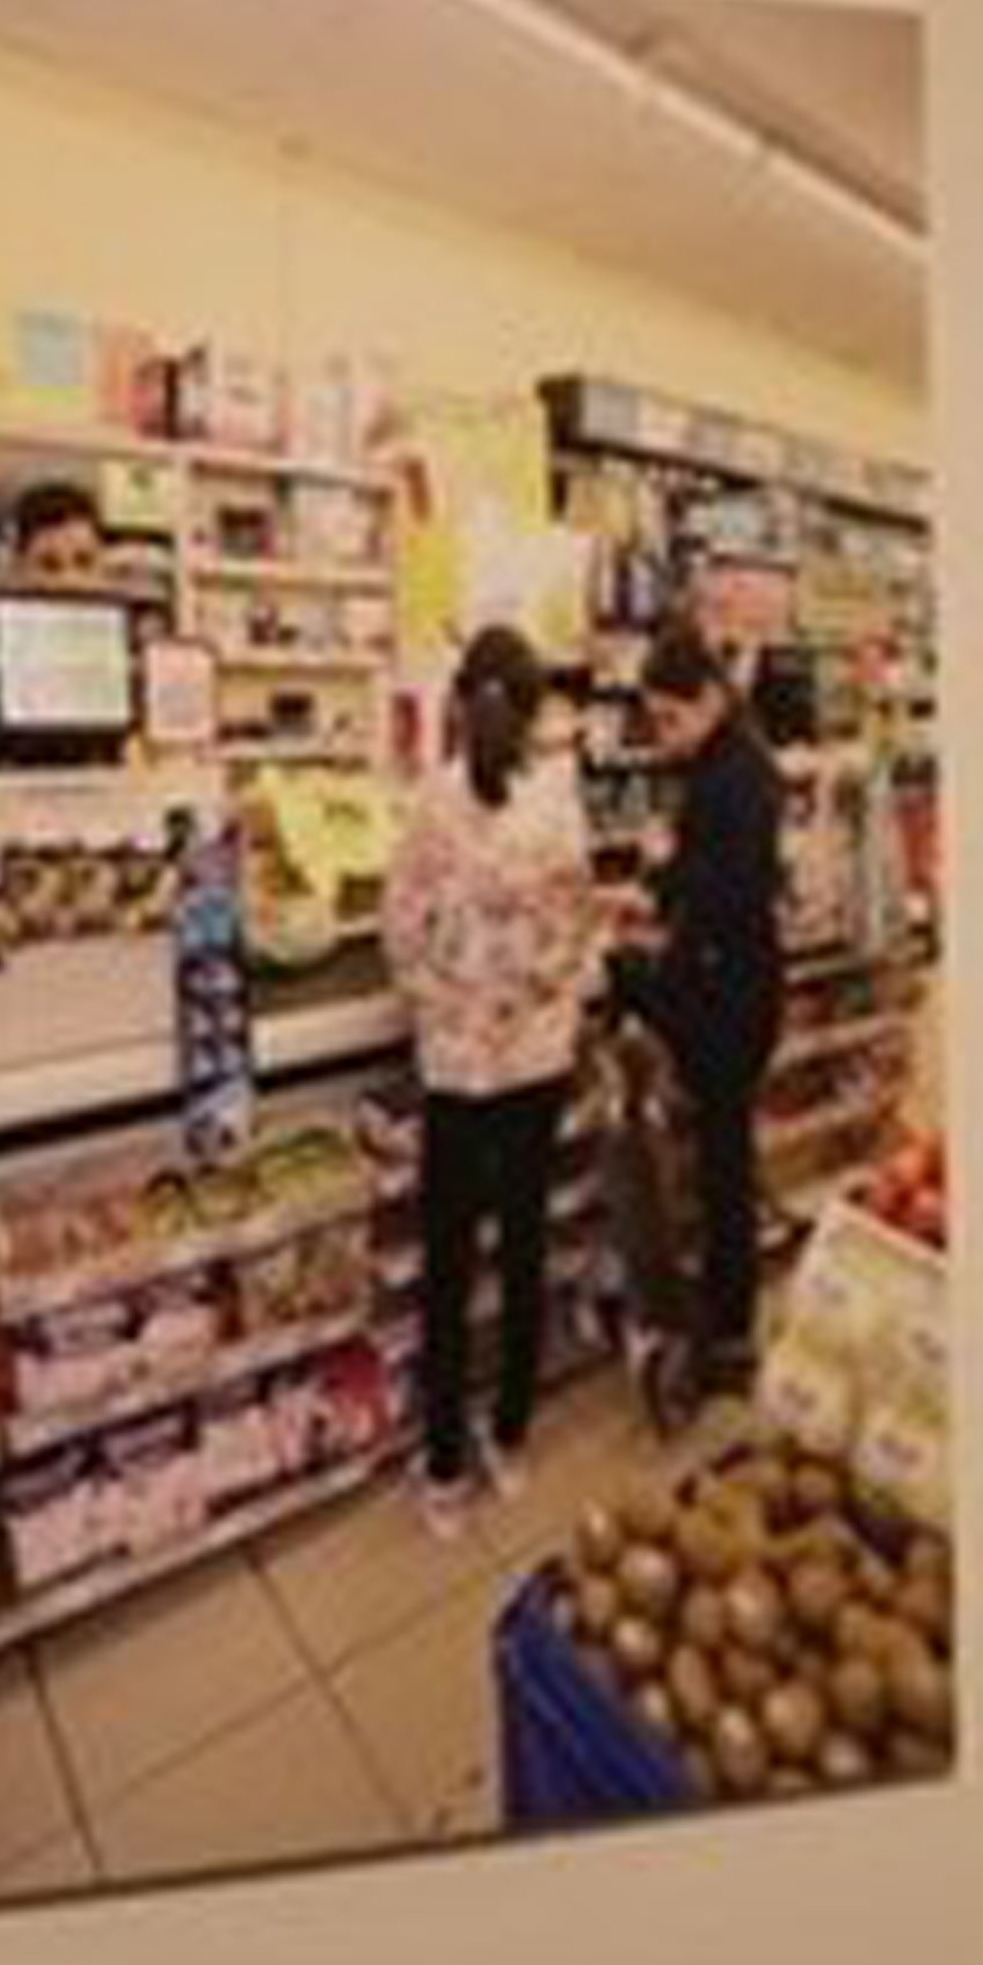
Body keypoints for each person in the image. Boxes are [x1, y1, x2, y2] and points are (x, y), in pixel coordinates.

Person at [381, 623, 600, 1498]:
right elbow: (577, 927)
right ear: (537, 709)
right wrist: (543, 996)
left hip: (458, 1069)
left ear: (461, 705)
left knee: (446, 1261)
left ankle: (441, 1464)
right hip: (536, 1063)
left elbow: (402, 931)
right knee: (522, 1245)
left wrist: (446, 1002)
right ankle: (509, 1433)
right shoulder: (557, 802)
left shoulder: (432, 804)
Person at [624, 610, 792, 1418]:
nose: (660, 736)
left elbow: (726, 889)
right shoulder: (729, 764)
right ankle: (727, 1318)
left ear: (710, 698)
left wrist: (663, 880)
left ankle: (729, 1335)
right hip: (733, 986)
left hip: (729, 997)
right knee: (725, 1160)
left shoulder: (736, 776)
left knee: (724, 1171)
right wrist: (657, 889)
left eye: (668, 717)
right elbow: (713, 877)